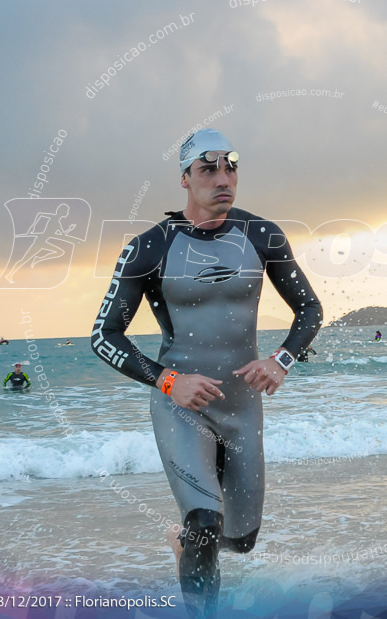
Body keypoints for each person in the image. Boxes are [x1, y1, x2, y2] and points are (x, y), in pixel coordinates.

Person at [90, 128, 322, 616]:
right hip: (181, 406)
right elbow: (104, 335)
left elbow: (309, 310)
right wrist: (168, 380)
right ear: (184, 179)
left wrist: (281, 360)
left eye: (231, 165)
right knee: (203, 522)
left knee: (240, 540)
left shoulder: (261, 235)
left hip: (242, 408)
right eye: (208, 168)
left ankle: (186, 544)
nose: (223, 177)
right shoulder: (149, 247)